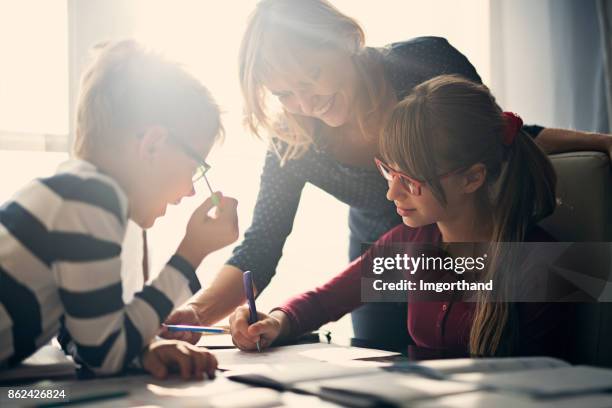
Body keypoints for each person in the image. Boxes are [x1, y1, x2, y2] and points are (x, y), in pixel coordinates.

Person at [164, 0, 612, 346]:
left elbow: (496, 132)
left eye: (313, 77)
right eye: (286, 93)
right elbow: (266, 246)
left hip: (462, 249)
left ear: (344, 40)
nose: (306, 102)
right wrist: (206, 314)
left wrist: (603, 144)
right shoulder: (301, 144)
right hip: (402, 254)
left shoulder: (424, 65)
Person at [229, 75, 569, 358]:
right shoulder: (410, 244)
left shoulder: (541, 264)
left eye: (410, 179)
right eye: (389, 172)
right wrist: (274, 321)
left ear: (472, 178)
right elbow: (322, 302)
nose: (392, 193)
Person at [0, 40, 239, 379]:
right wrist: (190, 255)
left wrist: (141, 351)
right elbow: (104, 354)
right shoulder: (90, 200)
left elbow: (83, 335)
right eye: (194, 166)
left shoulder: (73, 192)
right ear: (153, 144)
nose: (191, 190)